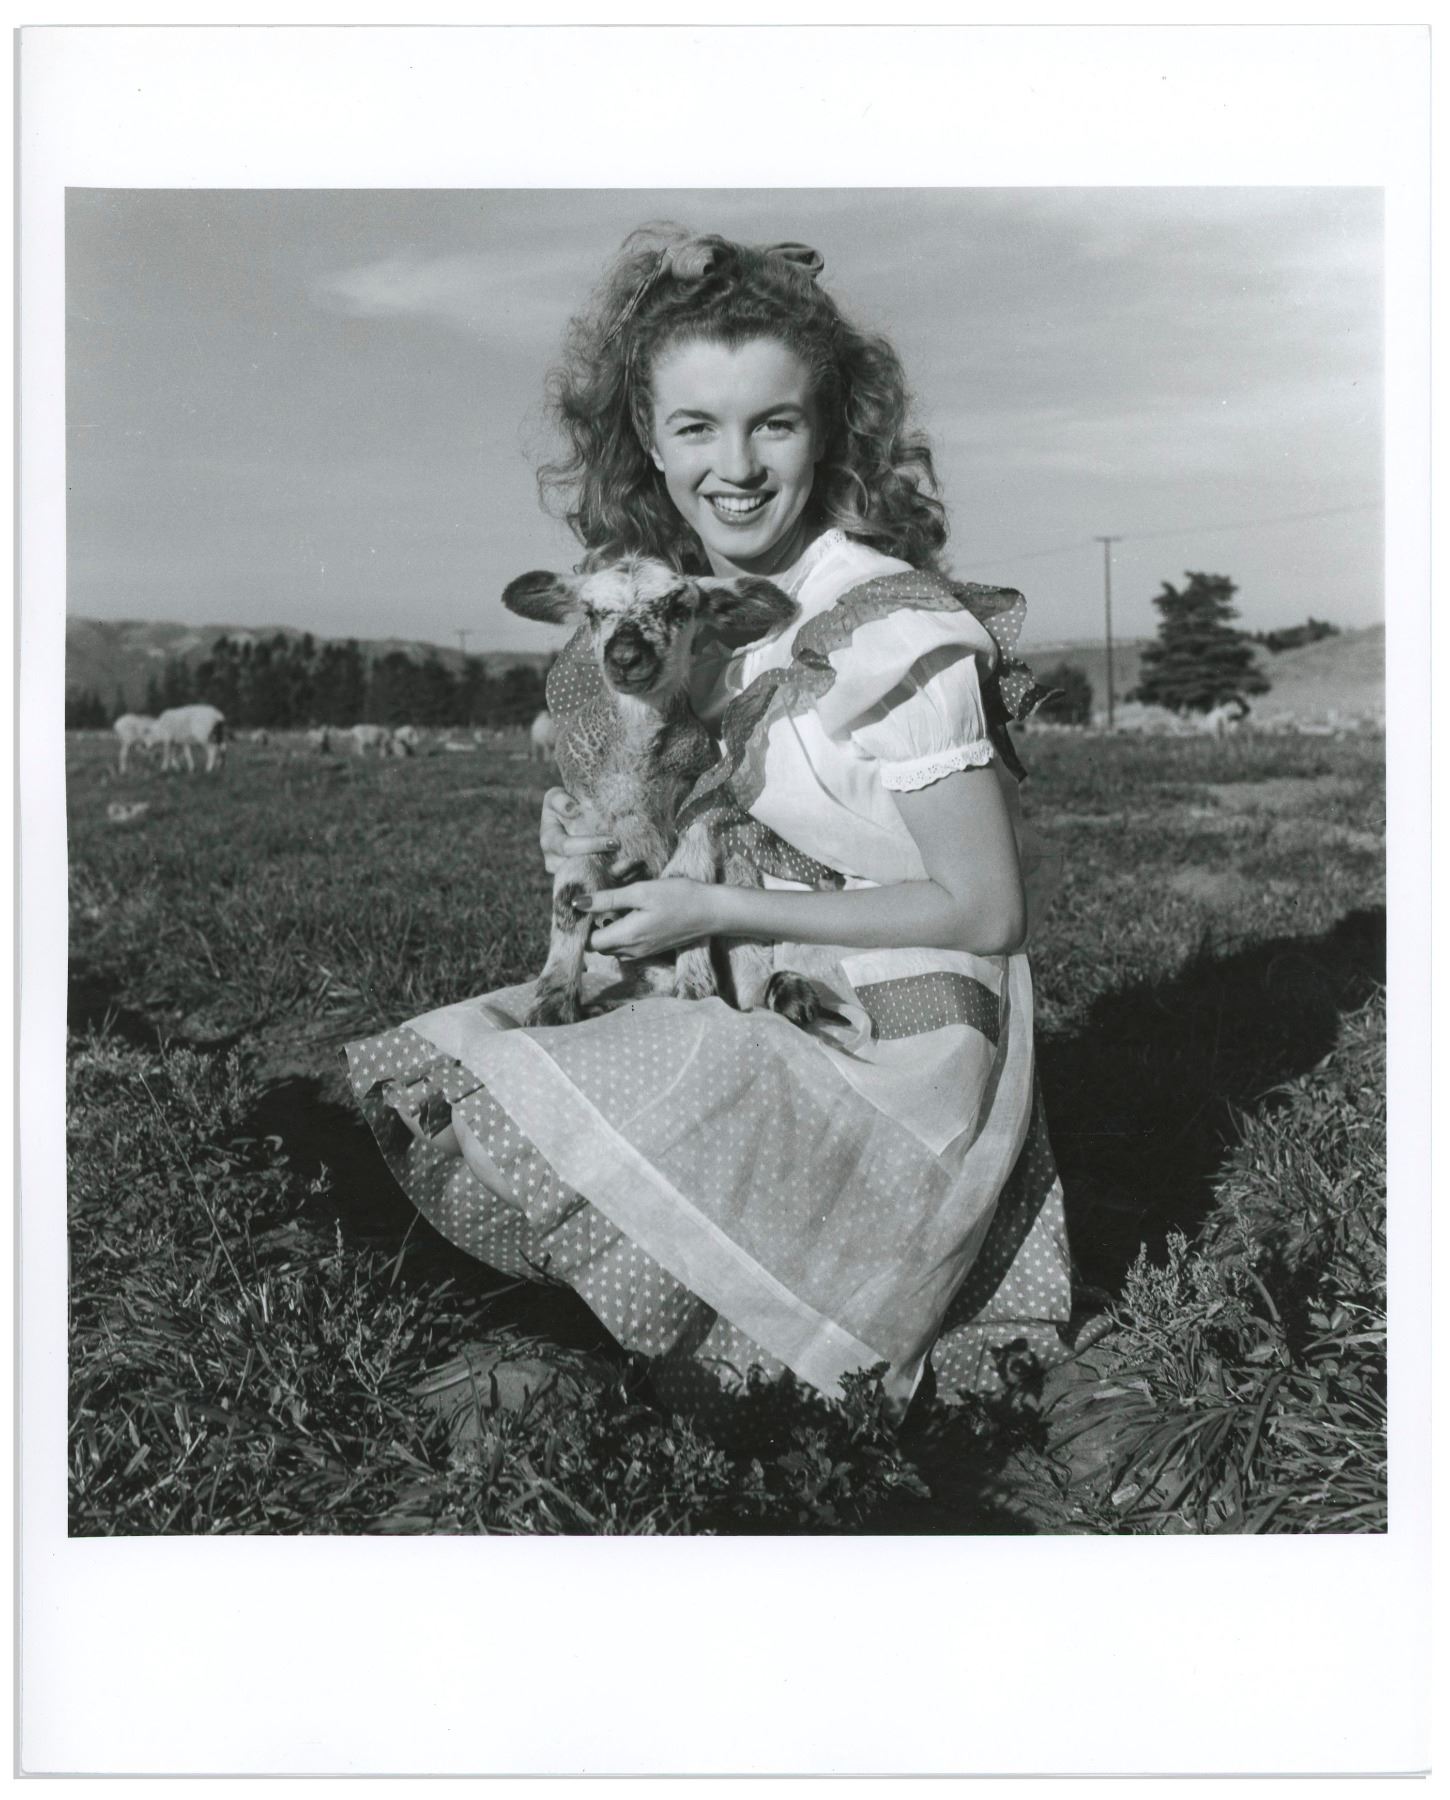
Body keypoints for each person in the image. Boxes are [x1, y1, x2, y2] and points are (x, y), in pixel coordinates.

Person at [344, 228, 1071, 1422]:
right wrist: (606, 850)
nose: (732, 467)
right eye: (695, 427)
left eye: (772, 424)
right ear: (647, 434)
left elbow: (988, 912)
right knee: (484, 1058)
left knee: (553, 1090)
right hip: (758, 967)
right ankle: (635, 1342)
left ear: (828, 429)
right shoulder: (717, 612)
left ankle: (723, 1356)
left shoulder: (890, 632)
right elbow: (702, 807)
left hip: (897, 1037)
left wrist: (708, 907)